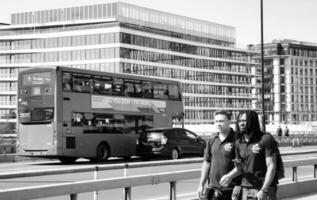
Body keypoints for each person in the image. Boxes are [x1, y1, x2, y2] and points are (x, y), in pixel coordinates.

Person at [220, 110, 278, 200]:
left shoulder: (265, 138)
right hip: (246, 189)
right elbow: (240, 167)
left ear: (253, 121)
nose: (241, 123)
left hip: (263, 189)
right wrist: (229, 176)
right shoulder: (238, 143)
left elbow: (271, 166)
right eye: (240, 121)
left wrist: (264, 190)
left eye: (245, 120)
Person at [197, 110, 240, 200]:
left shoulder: (237, 140)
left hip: (232, 190)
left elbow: (242, 165)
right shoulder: (212, 140)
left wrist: (230, 176)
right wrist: (201, 185)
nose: (218, 124)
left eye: (221, 121)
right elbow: (206, 164)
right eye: (216, 121)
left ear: (229, 122)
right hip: (213, 189)